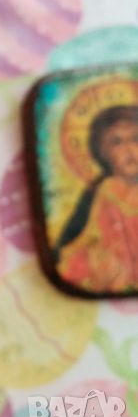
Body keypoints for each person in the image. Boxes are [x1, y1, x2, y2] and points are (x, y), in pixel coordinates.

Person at [57, 105, 138, 293]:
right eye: (117, 142)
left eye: (136, 139)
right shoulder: (100, 195)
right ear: (102, 152)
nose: (130, 150)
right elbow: (75, 245)